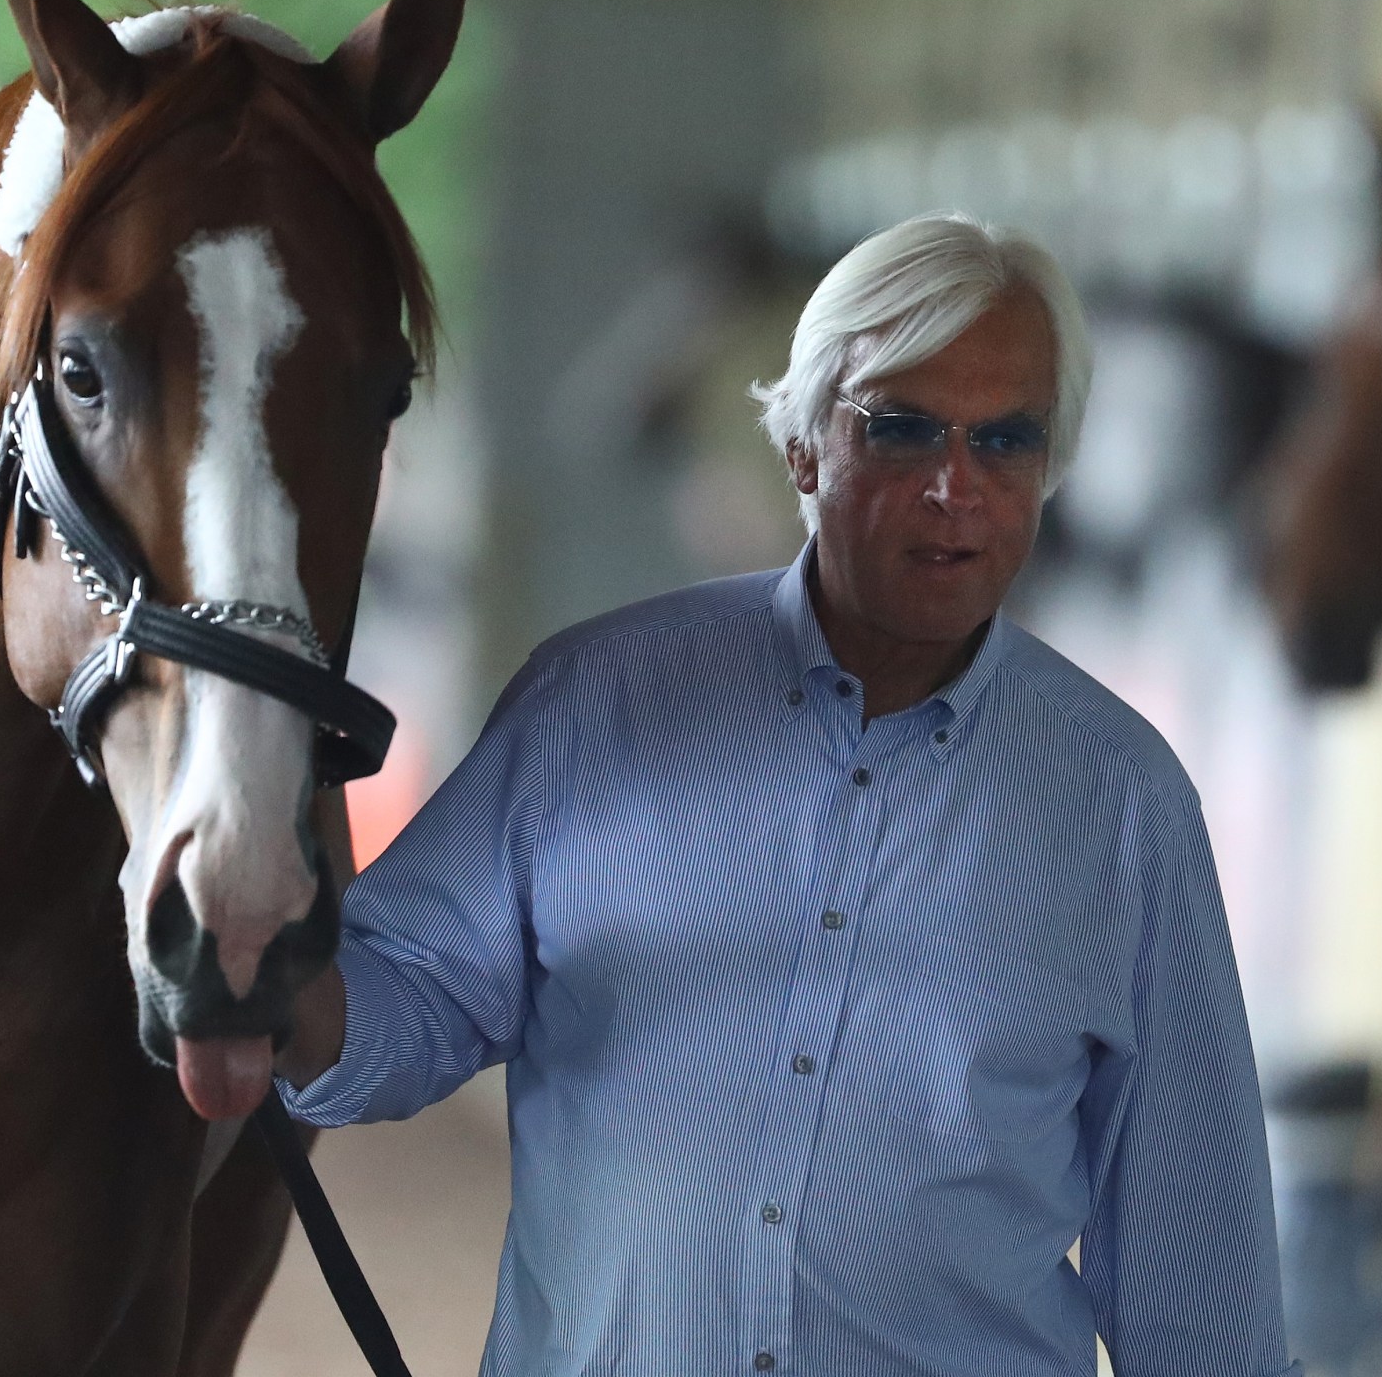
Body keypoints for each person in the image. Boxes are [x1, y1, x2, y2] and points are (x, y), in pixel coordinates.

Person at [275, 212, 1299, 1376]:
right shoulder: (595, 705)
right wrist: (269, 971)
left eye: (1005, 442)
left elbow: (1198, 1290)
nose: (955, 488)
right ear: (805, 447)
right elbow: (403, 1006)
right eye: (902, 430)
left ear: (1049, 474)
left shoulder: (1122, 804)